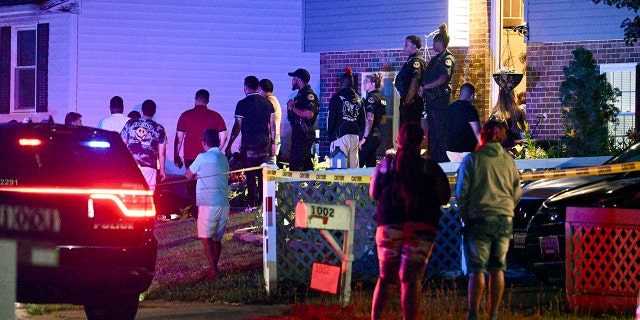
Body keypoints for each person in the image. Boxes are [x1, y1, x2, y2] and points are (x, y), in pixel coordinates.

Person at [370, 122, 451, 320]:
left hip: (390, 224)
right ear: (421, 141)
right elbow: (444, 197)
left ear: (399, 140)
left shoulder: (387, 165)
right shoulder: (429, 167)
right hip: (421, 226)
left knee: (386, 278)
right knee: (412, 278)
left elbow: (374, 193)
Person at [455, 120, 522, 320]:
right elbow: (517, 192)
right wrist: (507, 208)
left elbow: (461, 192)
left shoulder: (473, 160)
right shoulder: (509, 162)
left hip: (479, 218)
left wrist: (465, 214)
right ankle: (494, 313)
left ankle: (473, 313)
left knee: (477, 270)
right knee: (497, 268)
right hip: (503, 218)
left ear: (483, 135)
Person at [175, 89, 228, 218]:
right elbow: (224, 136)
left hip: (190, 156)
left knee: (193, 185)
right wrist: (216, 150)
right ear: (208, 101)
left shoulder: (185, 115)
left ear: (195, 99)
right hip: (210, 157)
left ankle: (195, 213)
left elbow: (179, 138)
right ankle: (208, 212)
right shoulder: (216, 116)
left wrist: (177, 155)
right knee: (209, 183)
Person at [225, 76, 275, 210]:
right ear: (258, 87)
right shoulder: (267, 103)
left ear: (246, 87)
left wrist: (230, 144)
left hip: (249, 146)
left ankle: (252, 204)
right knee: (262, 175)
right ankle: (262, 204)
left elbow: (238, 126)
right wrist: (273, 143)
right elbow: (272, 124)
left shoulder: (242, 104)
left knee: (250, 176)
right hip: (264, 145)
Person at [186, 129, 230, 280]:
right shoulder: (223, 158)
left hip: (207, 202)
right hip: (223, 202)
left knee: (206, 237)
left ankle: (213, 271)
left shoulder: (202, 157)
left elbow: (188, 174)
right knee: (216, 238)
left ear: (204, 142)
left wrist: (197, 175)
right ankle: (215, 268)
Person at [422, 23, 456, 163]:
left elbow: (443, 78)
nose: (432, 45)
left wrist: (426, 87)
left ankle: (442, 162)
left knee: (440, 133)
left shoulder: (447, 58)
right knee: (433, 134)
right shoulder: (436, 59)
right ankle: (434, 160)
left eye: (434, 42)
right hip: (431, 102)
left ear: (440, 42)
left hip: (440, 101)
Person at [120, 99, 168, 191]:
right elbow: (161, 152)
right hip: (149, 166)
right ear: (154, 112)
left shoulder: (130, 124)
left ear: (141, 111)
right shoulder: (159, 128)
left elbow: (122, 145)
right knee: (147, 194)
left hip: (131, 165)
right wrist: (162, 170)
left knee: (130, 194)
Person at [327, 67, 365, 168]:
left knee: (338, 171)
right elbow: (363, 122)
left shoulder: (336, 99)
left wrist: (331, 136)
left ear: (342, 83)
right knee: (353, 172)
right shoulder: (359, 101)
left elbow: (330, 119)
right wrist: (359, 136)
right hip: (355, 137)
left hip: (339, 136)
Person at [286, 68, 320, 171]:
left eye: (294, 79)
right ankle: (309, 186)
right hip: (298, 133)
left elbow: (309, 114)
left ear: (299, 80)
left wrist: (293, 108)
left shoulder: (309, 95)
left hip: (304, 133)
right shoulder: (300, 95)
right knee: (305, 162)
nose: (292, 81)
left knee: (295, 163)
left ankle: (297, 186)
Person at [394, 35, 426, 126]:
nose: (404, 47)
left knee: (410, 133)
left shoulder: (416, 61)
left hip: (412, 104)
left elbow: (414, 83)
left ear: (414, 46)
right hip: (408, 102)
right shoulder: (410, 60)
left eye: (406, 45)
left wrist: (407, 101)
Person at [444, 83, 481, 162]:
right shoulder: (470, 109)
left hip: (450, 149)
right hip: (465, 149)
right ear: (472, 96)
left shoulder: (450, 107)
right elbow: (477, 132)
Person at [359, 72, 387, 167]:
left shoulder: (371, 98)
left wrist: (364, 138)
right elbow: (383, 120)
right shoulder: (382, 98)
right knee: (371, 164)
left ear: (373, 84)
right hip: (377, 135)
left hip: (369, 136)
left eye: (366, 81)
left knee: (359, 164)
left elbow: (369, 119)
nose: (363, 83)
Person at [259, 78, 282, 164]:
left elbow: (268, 122)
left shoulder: (269, 101)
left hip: (271, 137)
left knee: (269, 165)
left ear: (261, 89)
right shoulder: (274, 100)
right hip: (273, 137)